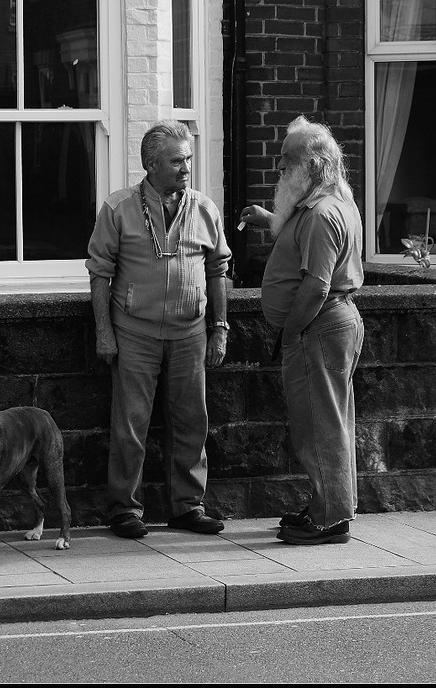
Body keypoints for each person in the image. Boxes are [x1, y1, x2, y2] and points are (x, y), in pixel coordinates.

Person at [86, 120, 232, 539]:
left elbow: (218, 269)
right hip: (135, 331)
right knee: (130, 423)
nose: (187, 167)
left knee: (192, 421)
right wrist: (104, 331)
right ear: (151, 165)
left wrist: (219, 327)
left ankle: (188, 506)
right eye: (177, 160)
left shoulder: (204, 208)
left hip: (191, 332)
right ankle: (125, 509)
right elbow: (99, 272)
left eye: (189, 159)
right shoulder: (118, 208)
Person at [239, 116, 364, 546]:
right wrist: (267, 219)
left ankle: (329, 518)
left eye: (287, 159)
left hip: (318, 327)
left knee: (318, 426)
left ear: (312, 164)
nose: (279, 167)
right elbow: (302, 240)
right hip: (328, 326)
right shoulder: (325, 203)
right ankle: (329, 505)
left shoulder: (321, 213)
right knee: (327, 421)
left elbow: (316, 285)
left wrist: (290, 333)